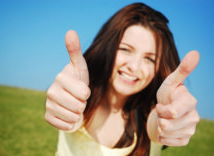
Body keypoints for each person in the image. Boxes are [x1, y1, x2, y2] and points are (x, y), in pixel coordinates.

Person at [45, 3, 200, 156]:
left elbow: (157, 124)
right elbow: (72, 117)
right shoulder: (82, 100)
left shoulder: (151, 115)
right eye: (126, 49)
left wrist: (169, 117)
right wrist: (65, 105)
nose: (134, 66)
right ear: (108, 48)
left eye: (149, 59)